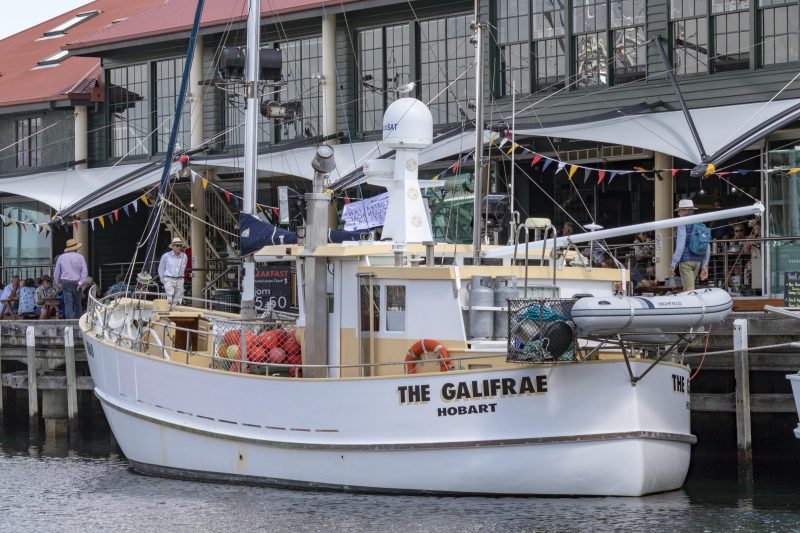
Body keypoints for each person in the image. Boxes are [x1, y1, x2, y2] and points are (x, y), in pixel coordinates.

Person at [669, 199, 710, 291]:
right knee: (691, 289)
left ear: (685, 211)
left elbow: (680, 245)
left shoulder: (682, 224)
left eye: (679, 211)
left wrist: (673, 264)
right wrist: (704, 266)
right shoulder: (701, 224)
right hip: (697, 262)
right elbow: (706, 246)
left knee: (689, 290)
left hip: (686, 262)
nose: (678, 214)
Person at [54, 238, 89, 319]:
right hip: (77, 282)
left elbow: (57, 273)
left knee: (68, 303)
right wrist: (81, 282)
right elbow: (84, 272)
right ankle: (78, 320)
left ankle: (70, 321)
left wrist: (58, 283)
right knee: (77, 303)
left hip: (65, 282)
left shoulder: (61, 257)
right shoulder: (80, 257)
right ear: (76, 248)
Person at [158, 237, 188, 305]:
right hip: (169, 279)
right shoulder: (166, 256)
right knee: (170, 298)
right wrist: (163, 280)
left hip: (180, 279)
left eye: (180, 245)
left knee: (179, 300)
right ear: (173, 246)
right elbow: (161, 269)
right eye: (177, 245)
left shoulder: (184, 256)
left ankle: (177, 313)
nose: (179, 247)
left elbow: (184, 267)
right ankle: (170, 313)